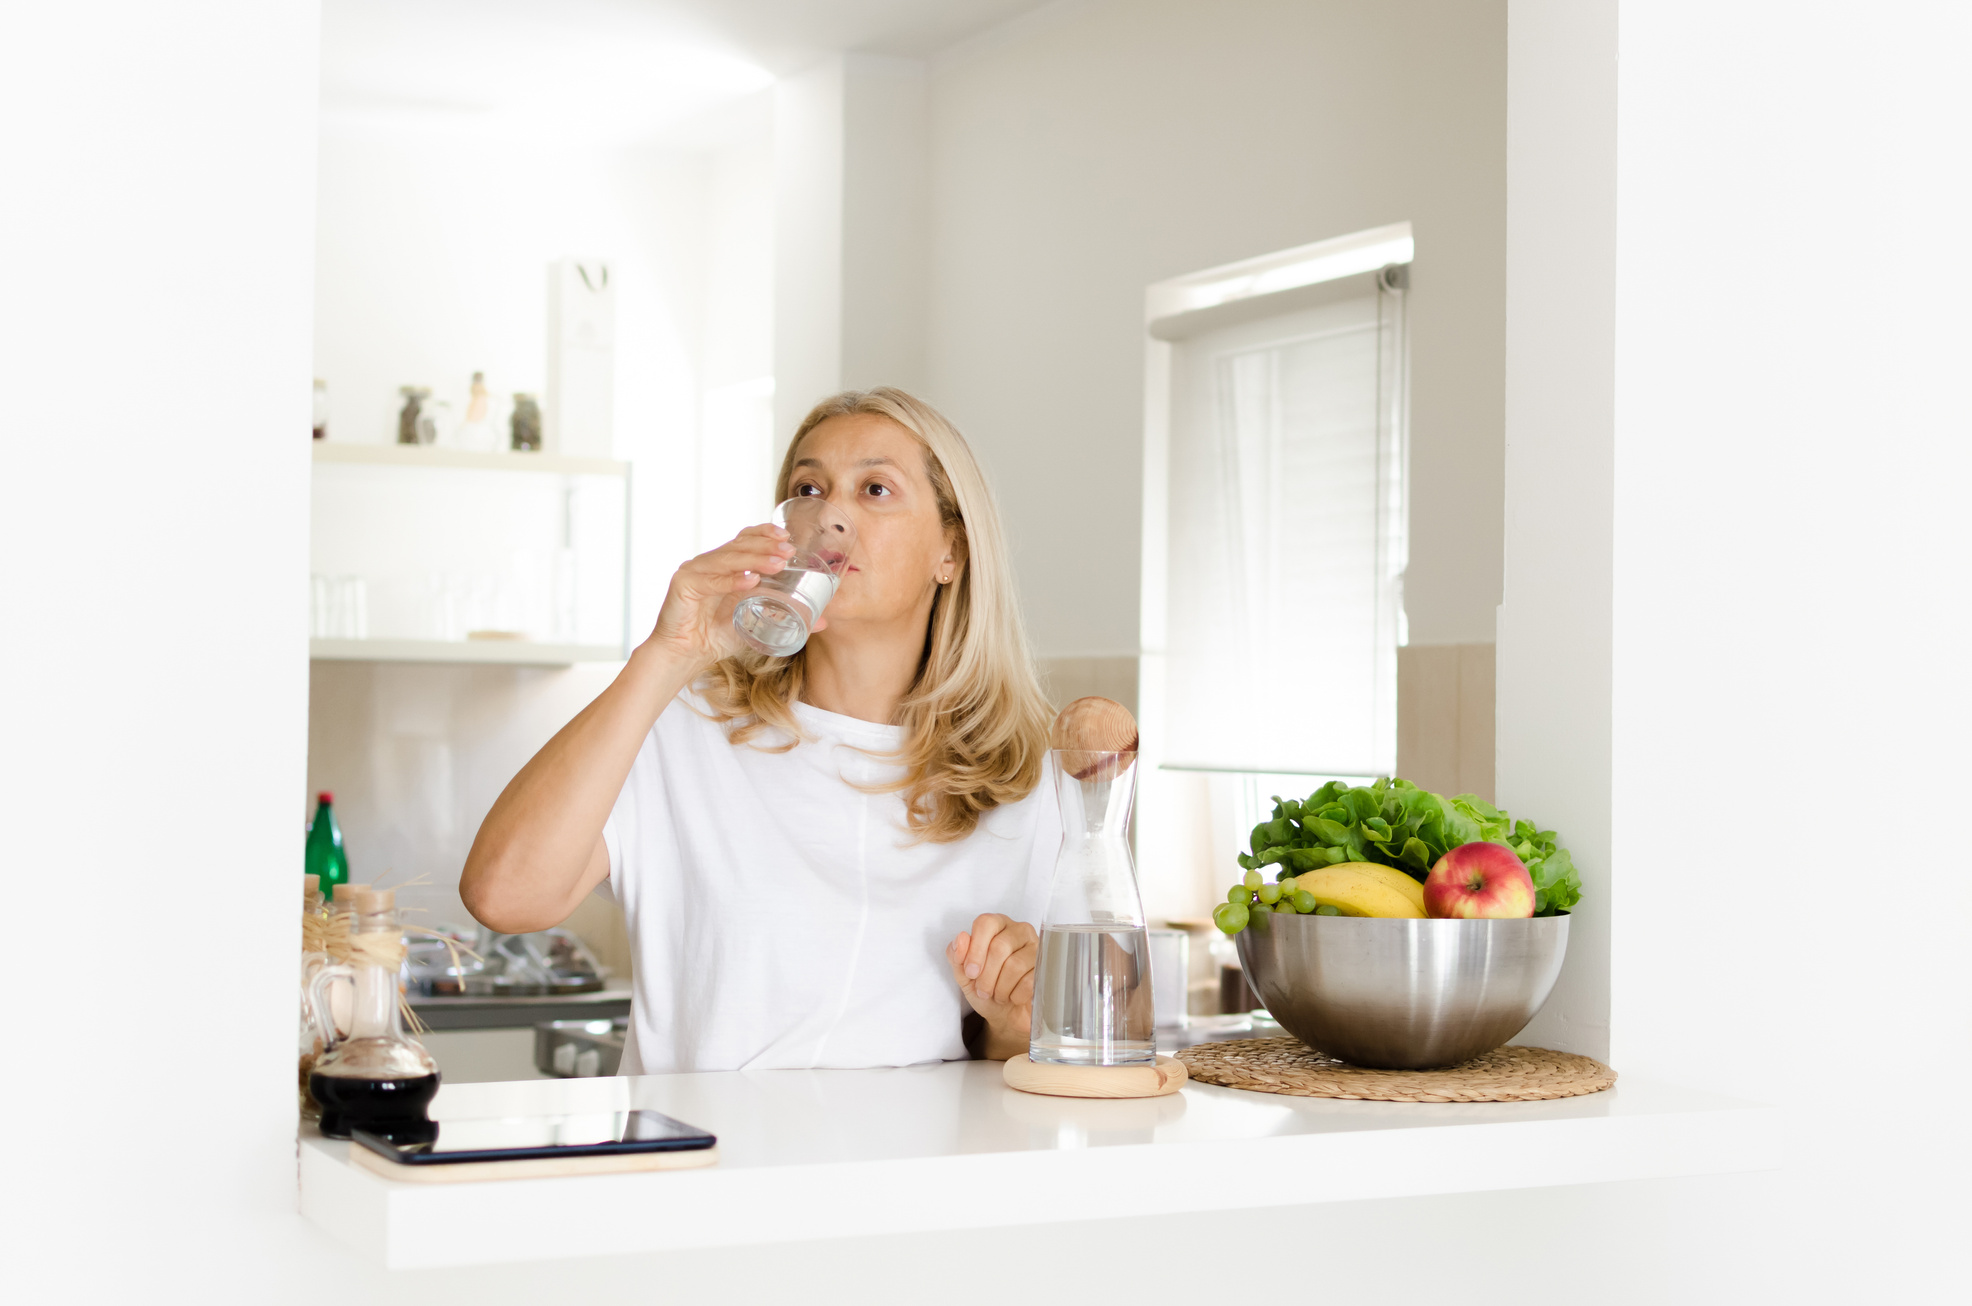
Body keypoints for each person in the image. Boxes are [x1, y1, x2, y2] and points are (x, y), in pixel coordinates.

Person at [460, 388, 1060, 1072]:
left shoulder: (1019, 781)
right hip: (702, 1171)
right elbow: (501, 896)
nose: (830, 512)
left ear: (950, 551)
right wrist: (667, 658)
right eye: (808, 487)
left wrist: (1014, 1021)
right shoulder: (688, 728)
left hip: (905, 1175)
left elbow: (1005, 1048)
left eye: (874, 489)